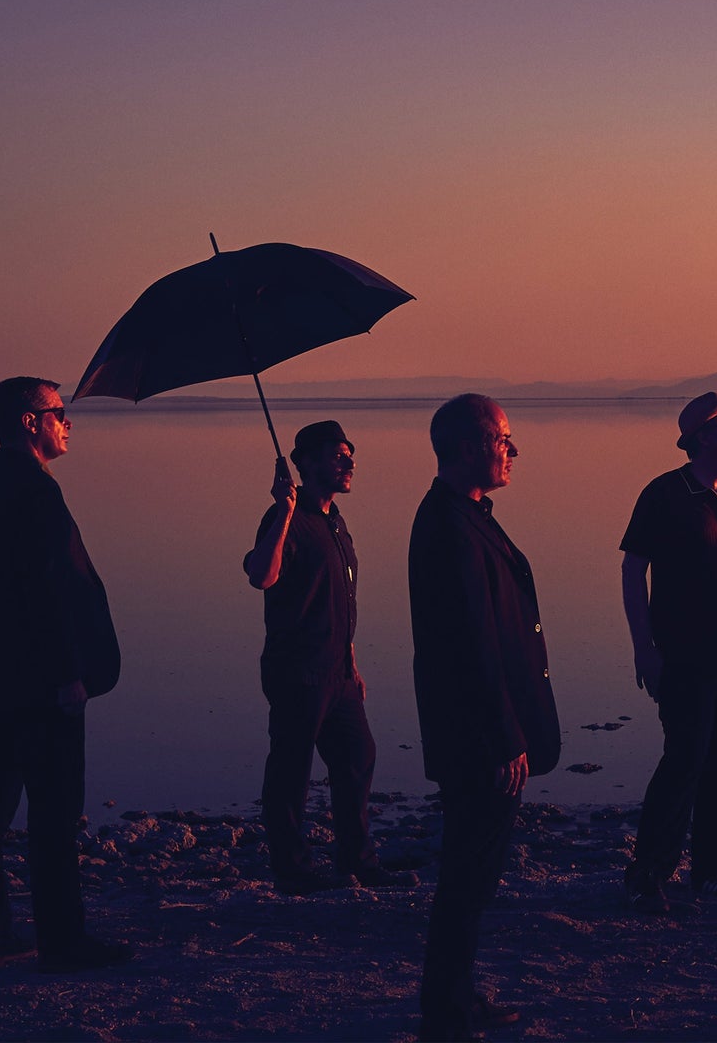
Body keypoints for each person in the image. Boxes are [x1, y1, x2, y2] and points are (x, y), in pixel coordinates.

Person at [0, 377, 128, 973]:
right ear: (30, 422)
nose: (68, 423)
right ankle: (62, 942)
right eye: (59, 413)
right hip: (42, 685)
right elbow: (51, 594)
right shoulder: (35, 493)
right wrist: (73, 674)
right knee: (52, 815)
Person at [409, 394, 560, 1043]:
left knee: (473, 876)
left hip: (483, 732)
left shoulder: (466, 514)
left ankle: (457, 998)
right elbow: (470, 642)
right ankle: (448, 1010)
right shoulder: (446, 523)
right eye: (504, 440)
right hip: (478, 739)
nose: (513, 450)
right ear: (468, 446)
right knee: (467, 877)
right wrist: (505, 738)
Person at [620, 391, 717, 913]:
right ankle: (648, 872)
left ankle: (711, 871)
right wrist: (645, 651)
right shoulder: (664, 494)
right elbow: (632, 569)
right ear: (704, 437)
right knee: (683, 763)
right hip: (686, 661)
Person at [244, 419, 408, 892]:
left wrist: (352, 665)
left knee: (357, 756)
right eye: (339, 456)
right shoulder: (286, 520)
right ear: (307, 463)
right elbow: (262, 576)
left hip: (338, 672)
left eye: (350, 454)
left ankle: (358, 862)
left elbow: (342, 598)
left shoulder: (335, 523)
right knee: (291, 769)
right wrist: (283, 510)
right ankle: (292, 870)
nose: (350, 462)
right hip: (297, 670)